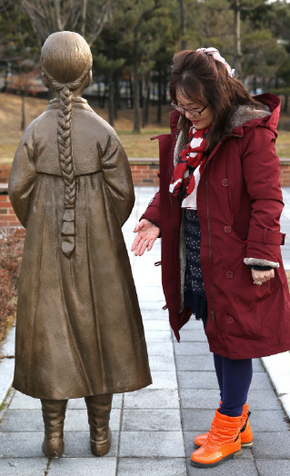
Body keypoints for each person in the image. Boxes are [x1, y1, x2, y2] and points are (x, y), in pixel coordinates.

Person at [132, 47, 290, 468]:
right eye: (180, 105)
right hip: (198, 248)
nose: (187, 113)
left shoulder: (249, 132)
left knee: (235, 342)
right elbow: (176, 184)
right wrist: (154, 220)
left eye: (195, 106)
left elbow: (268, 199)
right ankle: (237, 418)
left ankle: (229, 426)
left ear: (218, 95)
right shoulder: (190, 130)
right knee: (218, 334)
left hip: (237, 256)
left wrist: (261, 256)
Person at [9, 31, 151, 459]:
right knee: (102, 334)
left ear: (46, 76)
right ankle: (100, 435)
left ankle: (53, 436)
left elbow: (19, 191)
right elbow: (123, 195)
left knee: (48, 335)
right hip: (99, 248)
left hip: (45, 251)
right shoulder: (104, 132)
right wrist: (100, 226)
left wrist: (42, 226)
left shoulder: (35, 132)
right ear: (88, 75)